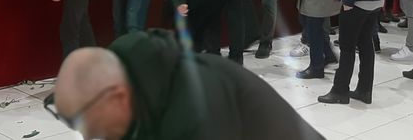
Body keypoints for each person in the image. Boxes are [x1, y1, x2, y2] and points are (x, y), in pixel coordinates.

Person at [49, 31, 325, 140]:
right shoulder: (147, 82)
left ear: (116, 97)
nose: (87, 136)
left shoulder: (197, 112)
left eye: (87, 125)